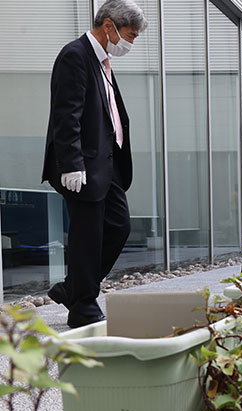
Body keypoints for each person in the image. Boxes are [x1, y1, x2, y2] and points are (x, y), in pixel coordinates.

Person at [42, 0, 147, 328]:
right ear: (109, 26)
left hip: (107, 163)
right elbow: (66, 114)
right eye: (130, 35)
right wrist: (71, 163)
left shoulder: (101, 61)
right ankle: (83, 307)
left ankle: (73, 288)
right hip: (82, 166)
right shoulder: (75, 56)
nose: (131, 43)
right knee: (87, 235)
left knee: (119, 227)